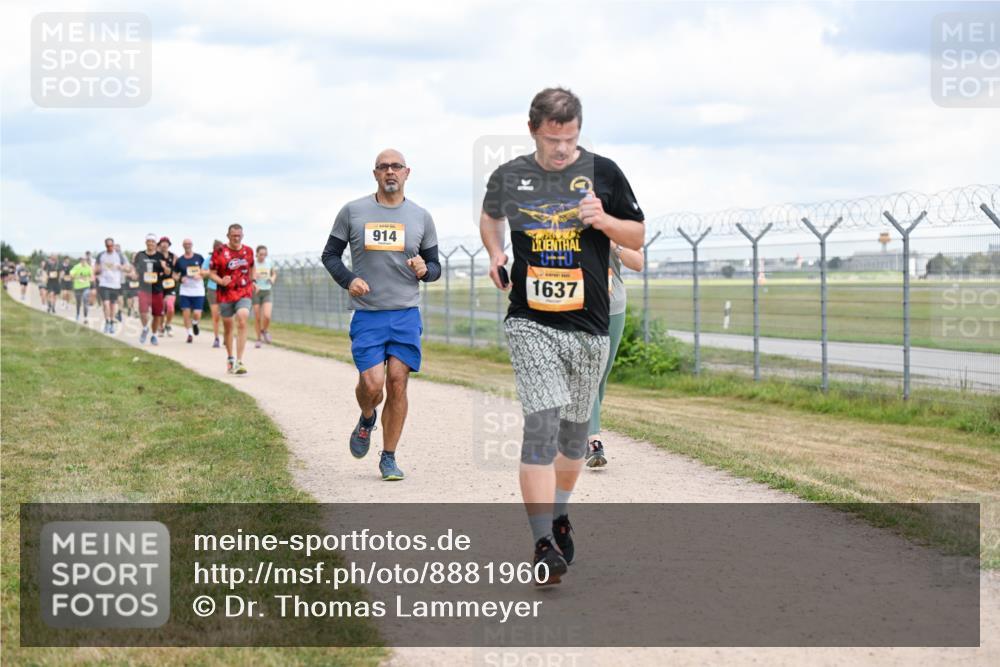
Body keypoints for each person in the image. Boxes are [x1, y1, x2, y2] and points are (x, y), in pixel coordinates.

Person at [480, 88, 644, 584]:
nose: (561, 149)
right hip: (530, 320)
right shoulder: (509, 176)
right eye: (553, 140)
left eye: (570, 139)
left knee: (573, 440)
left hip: (590, 326)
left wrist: (604, 220)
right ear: (533, 131)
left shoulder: (604, 173)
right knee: (542, 426)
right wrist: (495, 253)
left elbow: (637, 236)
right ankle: (542, 543)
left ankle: (559, 514)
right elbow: (491, 217)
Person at [321, 149, 441, 482]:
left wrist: (425, 270)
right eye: (383, 167)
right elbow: (330, 255)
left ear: (407, 173)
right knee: (372, 385)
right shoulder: (353, 211)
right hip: (368, 314)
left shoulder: (421, 217)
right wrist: (349, 280)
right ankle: (367, 416)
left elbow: (435, 267)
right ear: (375, 173)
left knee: (398, 383)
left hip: (405, 314)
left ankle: (389, 457)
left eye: (396, 166)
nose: (390, 171)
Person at [585, 241, 644, 468]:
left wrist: (613, 244)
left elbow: (637, 263)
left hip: (613, 306)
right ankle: (594, 440)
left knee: (601, 374)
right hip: (578, 308)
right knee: (588, 372)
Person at [209, 225, 254, 374]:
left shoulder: (248, 251)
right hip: (225, 294)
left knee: (242, 318)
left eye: (239, 235)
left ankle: (239, 361)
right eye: (233, 235)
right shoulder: (219, 252)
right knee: (228, 328)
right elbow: (212, 273)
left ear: (242, 236)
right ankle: (230, 358)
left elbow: (252, 267)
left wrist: (253, 281)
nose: (236, 238)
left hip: (244, 291)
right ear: (228, 236)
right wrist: (221, 281)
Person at [134, 233, 171, 345]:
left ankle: (154, 335)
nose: (150, 243)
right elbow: (134, 269)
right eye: (149, 241)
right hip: (144, 289)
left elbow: (168, 272)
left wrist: (164, 267)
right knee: (143, 312)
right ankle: (145, 328)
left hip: (157, 289)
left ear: (156, 244)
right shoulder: (140, 255)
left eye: (153, 241)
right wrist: (133, 274)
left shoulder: (160, 256)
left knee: (157, 315)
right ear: (146, 242)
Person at [173, 239, 206, 344]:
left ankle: (195, 323)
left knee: (197, 313)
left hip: (198, 290)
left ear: (192, 245)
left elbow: (206, 271)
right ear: (183, 246)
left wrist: (200, 275)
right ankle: (189, 334)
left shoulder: (199, 258)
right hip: (185, 290)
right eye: (185, 244)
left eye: (189, 244)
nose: (187, 245)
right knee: (186, 313)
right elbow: (174, 274)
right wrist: (180, 279)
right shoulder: (180, 260)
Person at [95, 237, 128, 333]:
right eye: (107, 246)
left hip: (115, 284)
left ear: (113, 245)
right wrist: (98, 270)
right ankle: (107, 322)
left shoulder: (119, 256)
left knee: (113, 305)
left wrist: (121, 267)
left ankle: (112, 322)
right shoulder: (101, 255)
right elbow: (96, 268)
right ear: (105, 246)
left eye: (111, 245)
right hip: (104, 283)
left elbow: (128, 268)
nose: (109, 247)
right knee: (106, 304)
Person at [252, 244, 277, 348]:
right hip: (256, 292)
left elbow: (274, 273)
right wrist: (254, 279)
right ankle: (258, 339)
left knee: (267, 315)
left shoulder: (269, 262)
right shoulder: (253, 264)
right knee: (258, 317)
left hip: (267, 291)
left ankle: (264, 330)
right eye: (260, 254)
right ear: (256, 254)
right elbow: (249, 276)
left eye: (264, 254)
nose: (262, 256)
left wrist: (272, 279)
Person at [203, 240, 224, 348]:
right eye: (217, 249)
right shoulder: (209, 259)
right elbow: (202, 272)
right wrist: (210, 272)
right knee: (216, 315)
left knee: (226, 315)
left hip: (226, 290)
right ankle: (216, 338)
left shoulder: (227, 258)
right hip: (213, 289)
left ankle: (227, 336)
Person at [157, 237, 178, 336]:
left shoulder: (174, 257)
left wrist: (176, 275)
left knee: (170, 307)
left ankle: (168, 325)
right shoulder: (155, 256)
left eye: (166, 243)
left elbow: (177, 271)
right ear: (159, 244)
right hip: (158, 285)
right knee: (161, 309)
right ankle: (160, 327)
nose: (164, 244)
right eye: (162, 242)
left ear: (169, 244)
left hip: (170, 285)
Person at [69, 256, 94, 323]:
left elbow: (92, 277)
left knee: (85, 300)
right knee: (78, 302)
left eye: (85, 260)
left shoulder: (89, 267)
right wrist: (74, 277)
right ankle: (77, 314)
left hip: (86, 287)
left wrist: (88, 279)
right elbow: (71, 274)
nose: (83, 261)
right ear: (80, 261)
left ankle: (85, 317)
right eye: (82, 260)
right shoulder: (76, 267)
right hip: (77, 287)